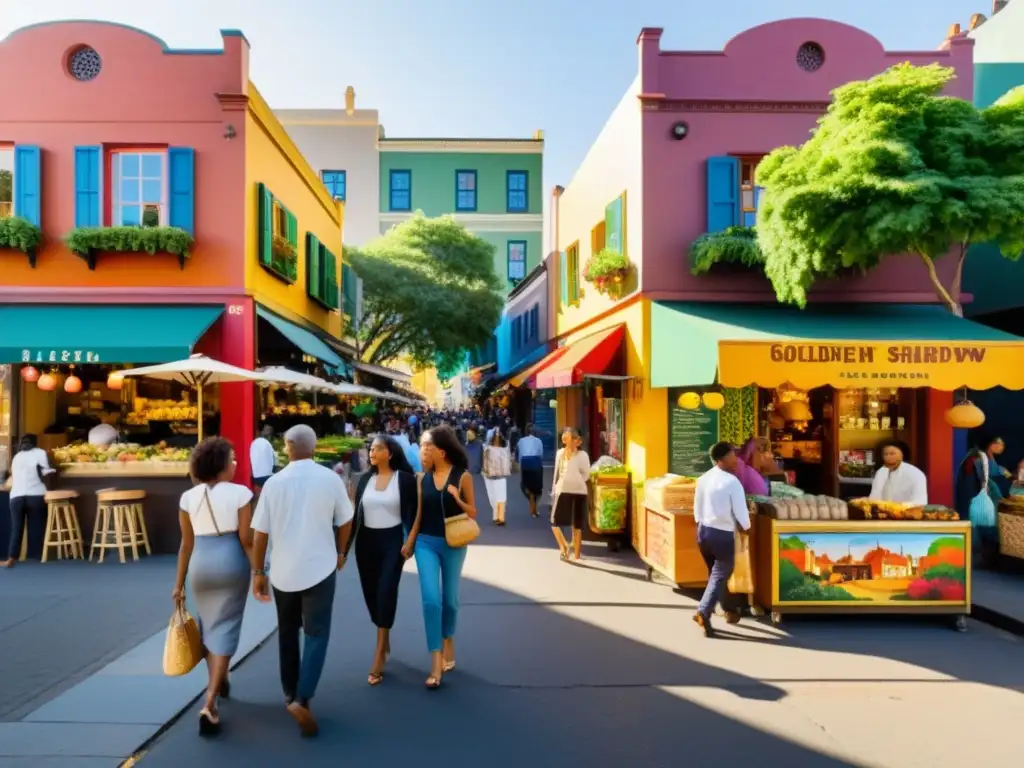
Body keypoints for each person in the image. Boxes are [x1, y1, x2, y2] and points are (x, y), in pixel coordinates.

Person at [250, 425, 354, 736]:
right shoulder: (329, 478)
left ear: (288, 446)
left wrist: (259, 572)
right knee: (316, 634)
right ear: (315, 446)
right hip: (320, 567)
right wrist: (340, 552)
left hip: (283, 571)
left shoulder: (274, 483)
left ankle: (288, 691)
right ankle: (302, 697)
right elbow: (345, 519)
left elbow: (260, 534)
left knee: (287, 632)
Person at [173, 438, 253, 735]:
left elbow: (185, 544)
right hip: (231, 561)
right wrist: (260, 570)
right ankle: (210, 700)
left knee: (210, 626)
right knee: (228, 627)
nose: (235, 464)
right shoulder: (241, 494)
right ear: (220, 465)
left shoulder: (187, 498)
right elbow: (246, 539)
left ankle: (217, 684)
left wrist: (178, 583)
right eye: (232, 459)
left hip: (200, 565)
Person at [348, 435, 420, 686]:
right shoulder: (364, 480)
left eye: (377, 448)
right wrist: (342, 551)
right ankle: (384, 632)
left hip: (392, 542)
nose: (371, 452)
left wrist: (411, 541)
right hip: (366, 543)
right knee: (371, 594)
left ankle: (379, 652)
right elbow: (354, 515)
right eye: (371, 448)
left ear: (390, 453)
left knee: (386, 591)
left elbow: (416, 513)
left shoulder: (406, 480)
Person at [417, 426, 476, 689]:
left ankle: (448, 637)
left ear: (441, 450)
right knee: (431, 601)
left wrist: (457, 499)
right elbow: (418, 515)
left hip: (454, 542)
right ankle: (435, 662)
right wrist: (409, 543)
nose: (424, 451)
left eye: (427, 446)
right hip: (425, 543)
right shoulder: (422, 479)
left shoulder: (462, 477)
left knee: (449, 602)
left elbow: (473, 512)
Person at [692, 442, 751, 637]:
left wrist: (702, 525)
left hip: (703, 531)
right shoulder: (731, 482)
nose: (736, 458)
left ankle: (729, 610)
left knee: (716, 574)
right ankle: (704, 610)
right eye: (732, 455)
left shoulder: (703, 479)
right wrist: (747, 528)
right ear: (721, 460)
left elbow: (697, 510)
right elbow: (741, 512)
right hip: (722, 534)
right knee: (721, 572)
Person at [955, 435, 1009, 569]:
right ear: (989, 444)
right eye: (998, 444)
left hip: (972, 495)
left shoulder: (980, 456)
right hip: (974, 496)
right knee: (977, 525)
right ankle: (977, 559)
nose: (1001, 447)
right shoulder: (979, 458)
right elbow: (985, 478)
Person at [3, 435, 55, 568]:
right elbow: (48, 472)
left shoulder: (16, 457)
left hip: (16, 496)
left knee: (16, 528)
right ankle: (38, 556)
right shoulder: (40, 453)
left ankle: (12, 557)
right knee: (37, 526)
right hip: (35, 494)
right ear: (36, 443)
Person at [550, 427, 590, 562]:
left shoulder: (582, 455)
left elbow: (586, 474)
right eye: (564, 439)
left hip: (579, 492)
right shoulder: (560, 454)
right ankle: (564, 547)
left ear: (576, 441)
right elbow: (556, 473)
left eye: (568, 438)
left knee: (577, 525)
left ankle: (577, 555)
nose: (565, 441)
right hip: (562, 490)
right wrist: (554, 489)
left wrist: (576, 481)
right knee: (554, 522)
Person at [868, 440, 928, 506]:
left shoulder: (916, 474)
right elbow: (874, 497)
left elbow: (920, 502)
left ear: (902, 455)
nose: (888, 457)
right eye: (885, 454)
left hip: (906, 514)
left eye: (892, 454)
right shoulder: (881, 472)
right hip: (881, 514)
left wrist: (898, 506)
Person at [483, 430, 512, 525]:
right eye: (495, 436)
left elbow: (508, 445)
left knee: (501, 497)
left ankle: (501, 518)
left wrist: (499, 432)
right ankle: (496, 516)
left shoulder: (505, 449)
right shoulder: (487, 448)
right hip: (489, 476)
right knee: (492, 498)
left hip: (501, 477)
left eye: (498, 436)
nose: (497, 438)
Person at [517, 424, 545, 518]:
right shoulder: (539, 441)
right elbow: (541, 455)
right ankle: (534, 506)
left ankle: (531, 498)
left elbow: (520, 455)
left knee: (525, 485)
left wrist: (521, 466)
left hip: (525, 462)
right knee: (538, 487)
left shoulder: (521, 441)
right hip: (536, 462)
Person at [250, 425, 277, 490]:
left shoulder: (253, 442)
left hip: (255, 476)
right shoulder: (267, 443)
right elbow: (275, 460)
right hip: (267, 475)